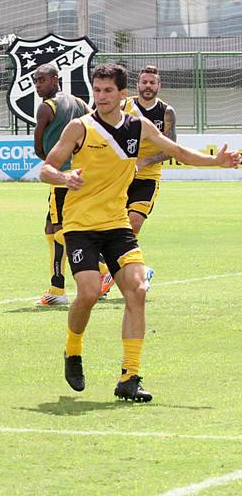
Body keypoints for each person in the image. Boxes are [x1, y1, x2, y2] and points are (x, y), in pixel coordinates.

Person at [40, 63, 239, 402]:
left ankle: (129, 377)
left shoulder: (137, 126)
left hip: (117, 224)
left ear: (121, 93)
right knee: (88, 293)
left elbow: (176, 151)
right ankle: (73, 351)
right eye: (97, 90)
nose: (100, 97)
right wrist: (64, 178)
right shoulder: (79, 127)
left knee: (138, 290)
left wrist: (214, 161)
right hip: (81, 225)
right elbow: (46, 167)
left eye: (107, 91)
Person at [31, 63, 89, 306]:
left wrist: (53, 163)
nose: (38, 85)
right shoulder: (79, 102)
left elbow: (38, 149)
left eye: (42, 80)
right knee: (49, 227)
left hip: (60, 177)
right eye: (35, 80)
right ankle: (57, 284)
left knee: (60, 230)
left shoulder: (46, 107)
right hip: (80, 174)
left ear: (56, 80)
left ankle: (103, 268)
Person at [120, 65, 177, 291]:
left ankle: (119, 274)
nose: (148, 86)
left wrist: (143, 162)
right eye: (144, 82)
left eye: (152, 83)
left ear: (159, 86)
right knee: (112, 228)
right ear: (138, 85)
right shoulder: (124, 105)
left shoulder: (166, 112)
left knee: (133, 224)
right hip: (121, 176)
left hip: (148, 177)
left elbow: (172, 148)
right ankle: (138, 271)